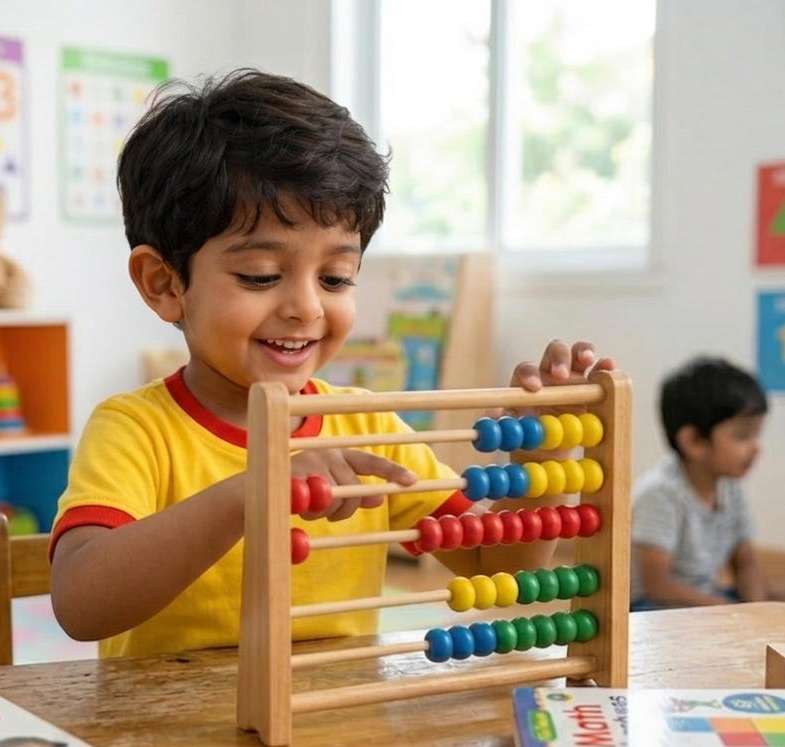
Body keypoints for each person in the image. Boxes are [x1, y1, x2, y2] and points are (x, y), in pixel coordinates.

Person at [48, 69, 613, 657]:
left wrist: (544, 458)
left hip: (333, 727)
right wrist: (251, 492)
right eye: (260, 276)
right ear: (165, 283)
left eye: (336, 277)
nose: (305, 307)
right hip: (173, 735)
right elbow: (81, 604)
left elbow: (495, 566)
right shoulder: (136, 430)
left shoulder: (369, 425)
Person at [630, 356, 771, 610]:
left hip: (703, 600)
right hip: (651, 608)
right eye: (742, 436)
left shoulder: (730, 487)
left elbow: (745, 562)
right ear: (693, 441)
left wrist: (756, 611)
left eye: (756, 434)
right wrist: (727, 611)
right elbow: (657, 586)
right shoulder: (660, 494)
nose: (756, 447)